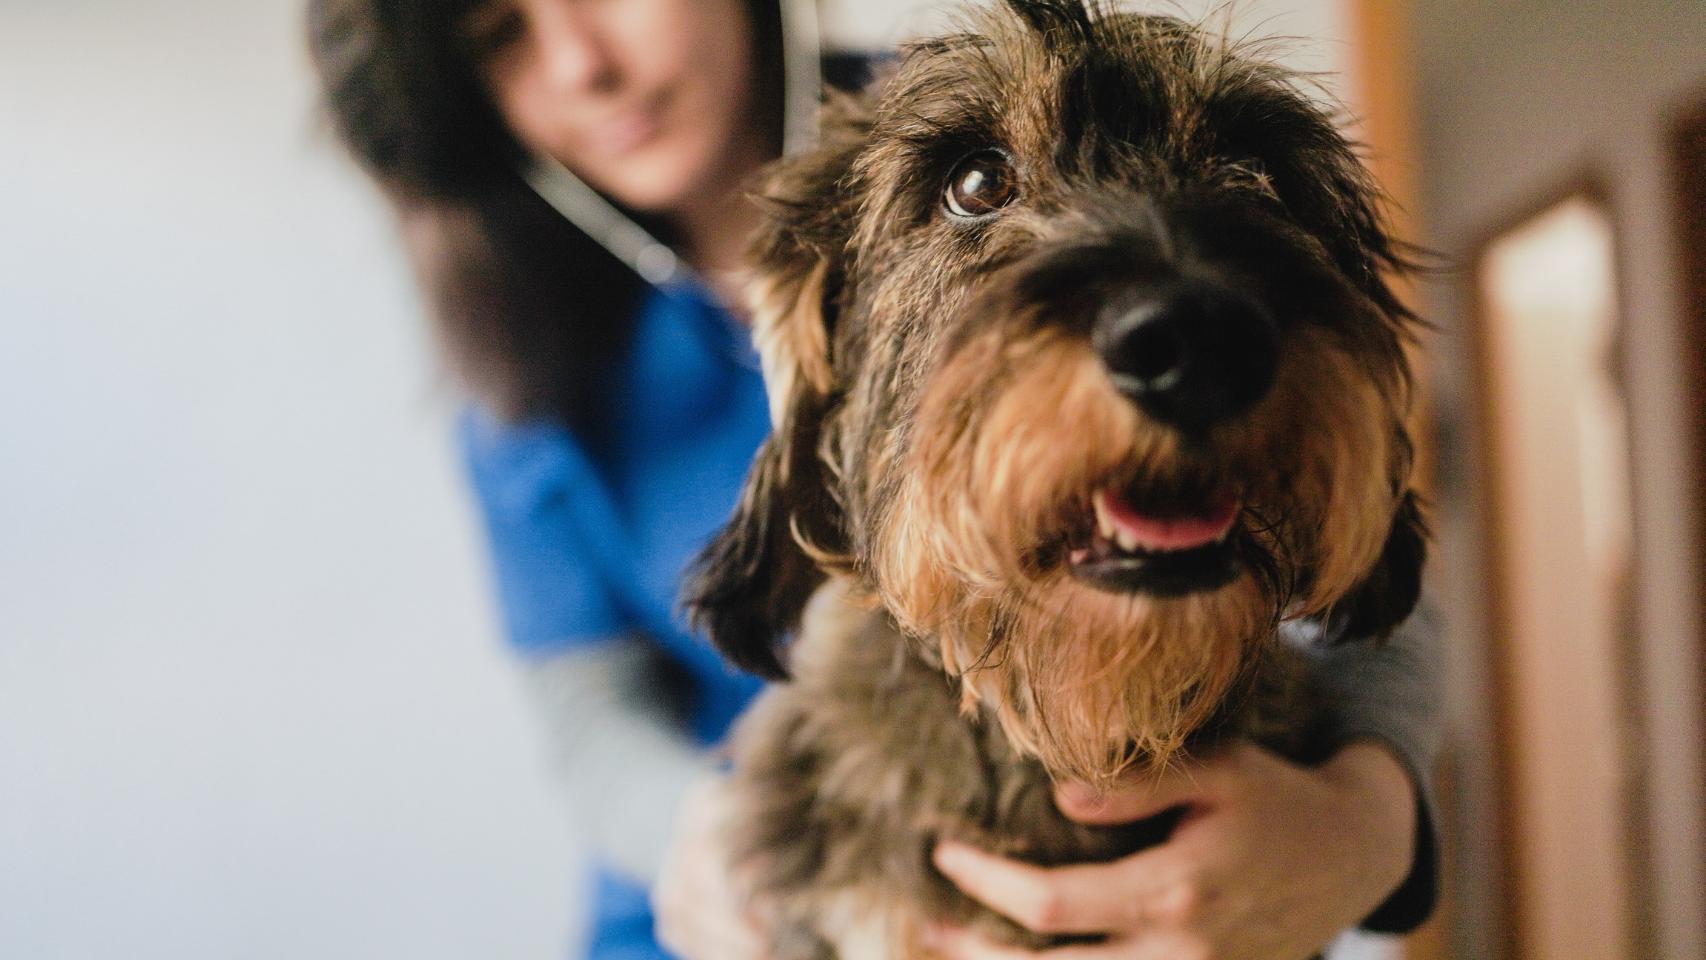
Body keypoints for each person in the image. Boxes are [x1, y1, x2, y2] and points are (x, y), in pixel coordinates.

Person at [306, 1, 1444, 957]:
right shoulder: (521, 357)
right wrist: (718, 848)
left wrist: (1369, 819)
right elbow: (588, 712)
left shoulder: (957, 101)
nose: (583, 64)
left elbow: (1334, 521)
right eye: (500, 33)